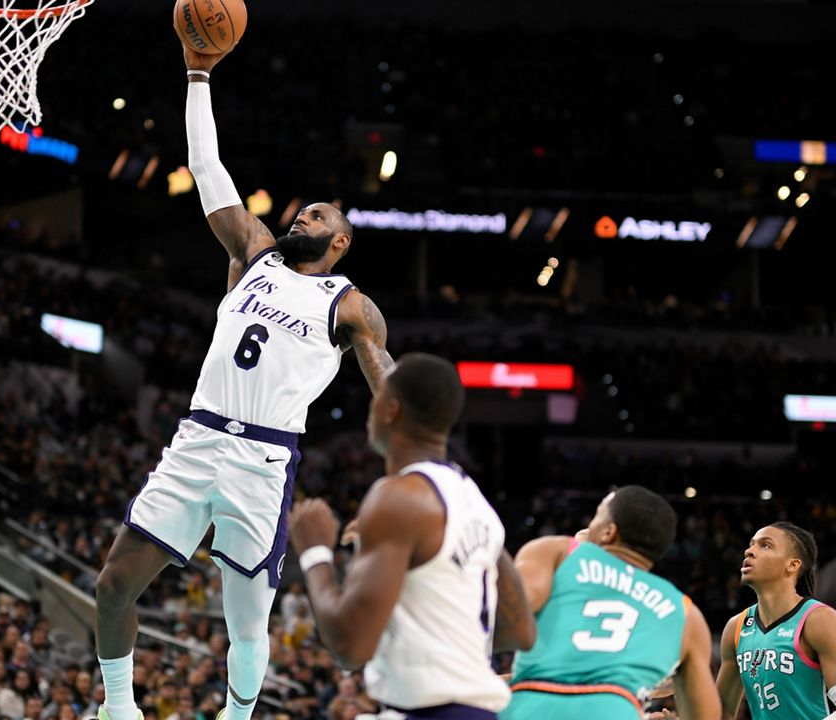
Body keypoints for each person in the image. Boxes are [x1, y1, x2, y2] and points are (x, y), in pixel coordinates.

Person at [92, 35, 395, 720]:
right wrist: (198, 74)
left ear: (340, 241)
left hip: (263, 460)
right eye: (302, 210)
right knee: (114, 583)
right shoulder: (254, 253)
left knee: (247, 626)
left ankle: (236, 716)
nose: (302, 216)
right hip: (196, 439)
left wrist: (415, 460)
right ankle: (118, 709)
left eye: (318, 215)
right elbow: (206, 167)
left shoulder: (347, 303)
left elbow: (389, 385)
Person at [289, 353, 537, 719]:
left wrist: (314, 552)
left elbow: (348, 646)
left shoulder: (399, 497)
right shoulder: (475, 501)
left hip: (431, 711)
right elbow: (521, 631)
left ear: (390, 410)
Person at [500, 488, 720, 720]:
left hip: (535, 703)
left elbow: (508, 617)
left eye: (596, 516)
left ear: (608, 533)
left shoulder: (558, 551)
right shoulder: (686, 612)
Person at [715, 522, 836, 720]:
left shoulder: (818, 619)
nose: (749, 551)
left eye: (765, 545)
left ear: (793, 565)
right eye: (751, 544)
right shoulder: (736, 627)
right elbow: (720, 713)